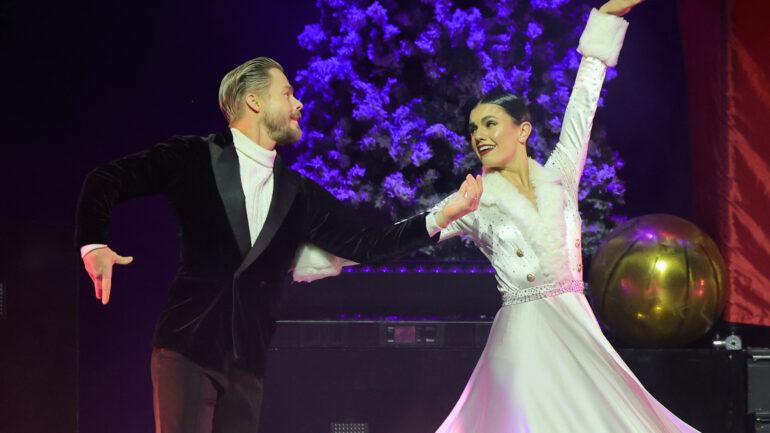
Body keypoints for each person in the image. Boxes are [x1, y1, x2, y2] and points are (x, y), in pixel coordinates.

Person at [75, 57, 482, 433]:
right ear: (253, 101)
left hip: (247, 365)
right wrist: (93, 244)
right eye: (287, 92)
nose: (299, 103)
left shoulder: (297, 192)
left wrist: (443, 215)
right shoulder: (194, 156)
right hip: (186, 349)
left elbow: (368, 244)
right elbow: (107, 179)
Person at [427, 1, 701, 431]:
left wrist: (608, 18)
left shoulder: (560, 176)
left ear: (523, 130)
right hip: (522, 343)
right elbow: (408, 234)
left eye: (490, 124)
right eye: (474, 128)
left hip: (576, 329)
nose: (479, 135)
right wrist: (325, 254)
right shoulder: (474, 201)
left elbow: (583, 103)